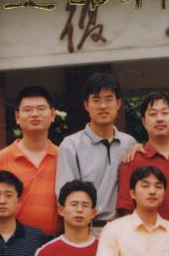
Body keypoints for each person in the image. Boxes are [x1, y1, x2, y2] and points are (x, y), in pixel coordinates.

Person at [56, 72, 138, 226]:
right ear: (86, 105)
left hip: (124, 227)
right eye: (96, 100)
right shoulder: (71, 145)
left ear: (118, 103)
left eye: (109, 99)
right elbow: (65, 195)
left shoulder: (129, 143)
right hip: (88, 228)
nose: (103, 106)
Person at [0, 85, 62, 235]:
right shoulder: (0, 160)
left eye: (41, 108)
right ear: (17, 117)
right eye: (27, 109)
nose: (35, 114)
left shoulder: (64, 157)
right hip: (13, 242)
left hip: (54, 241)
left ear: (52, 115)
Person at [118, 92, 169, 222]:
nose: (159, 119)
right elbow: (127, 212)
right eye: (153, 114)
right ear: (144, 122)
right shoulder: (132, 161)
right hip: (147, 234)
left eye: (165, 113)